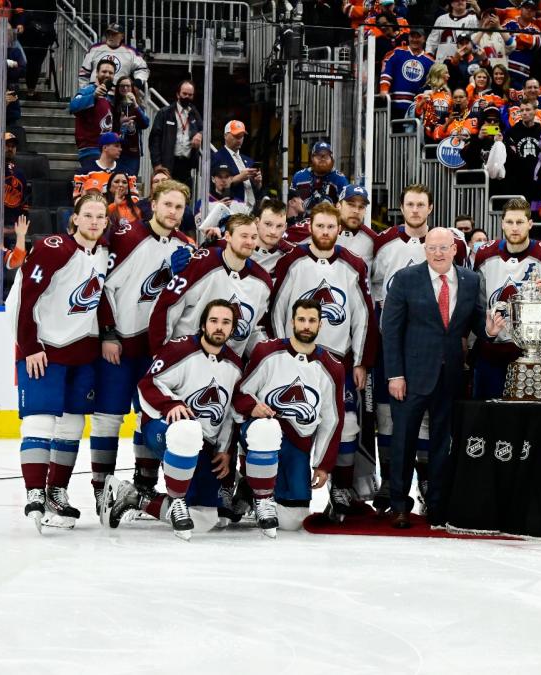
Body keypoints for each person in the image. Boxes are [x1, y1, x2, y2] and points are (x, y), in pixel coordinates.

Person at [382, 227, 505, 528]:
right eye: (432, 248)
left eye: (443, 248)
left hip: (450, 376)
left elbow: (477, 320)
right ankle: (399, 504)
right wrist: (395, 374)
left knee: (442, 444)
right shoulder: (405, 279)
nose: (438, 253)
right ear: (425, 250)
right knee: (403, 442)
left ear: (454, 249)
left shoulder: (470, 279)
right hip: (410, 377)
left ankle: (437, 505)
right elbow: (391, 331)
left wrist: (488, 331)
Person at [100, 300, 244, 539]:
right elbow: (147, 384)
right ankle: (175, 499)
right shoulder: (181, 349)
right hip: (164, 429)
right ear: (203, 324)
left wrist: (225, 450)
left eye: (226, 322)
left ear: (232, 328)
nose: (219, 327)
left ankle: (136, 497)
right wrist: (171, 405)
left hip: (204, 445)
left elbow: (230, 413)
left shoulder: (235, 366)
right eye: (214, 321)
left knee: (205, 519)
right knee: (186, 431)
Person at [91, 179, 195, 511]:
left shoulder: (185, 246)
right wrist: (108, 332)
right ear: (153, 204)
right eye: (168, 204)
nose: (173, 212)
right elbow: (102, 287)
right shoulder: (127, 238)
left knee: (148, 416)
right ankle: (101, 486)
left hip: (157, 352)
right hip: (120, 344)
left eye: (179, 207)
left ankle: (144, 486)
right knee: (108, 416)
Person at [268, 202, 377, 517]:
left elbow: (362, 316)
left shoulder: (353, 264)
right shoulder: (292, 261)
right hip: (295, 358)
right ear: (310, 227)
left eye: (331, 227)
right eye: (320, 226)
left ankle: (340, 489)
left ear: (339, 230)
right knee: (290, 420)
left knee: (347, 425)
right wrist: (281, 352)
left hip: (337, 362)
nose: (326, 232)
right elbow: (278, 309)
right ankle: (279, 487)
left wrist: (360, 362)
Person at [8, 193, 109, 531]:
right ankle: (34, 492)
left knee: (72, 426)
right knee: (39, 421)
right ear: (75, 219)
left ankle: (56, 492)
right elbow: (25, 296)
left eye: (101, 216)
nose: (95, 221)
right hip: (44, 349)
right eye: (89, 215)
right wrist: (30, 344)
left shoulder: (103, 253)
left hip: (82, 352)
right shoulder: (55, 248)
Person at [369, 184, 468, 511]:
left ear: (430, 208)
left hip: (436, 352)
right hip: (394, 347)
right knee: (389, 418)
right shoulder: (382, 244)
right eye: (409, 204)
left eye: (420, 204)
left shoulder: (448, 243)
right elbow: (375, 295)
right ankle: (390, 483)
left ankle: (427, 482)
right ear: (402, 207)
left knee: (433, 421)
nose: (414, 210)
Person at [232, 299, 349, 535]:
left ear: (320, 325)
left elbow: (332, 419)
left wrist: (323, 465)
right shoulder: (267, 352)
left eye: (312, 321)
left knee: (293, 521)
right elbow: (240, 394)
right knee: (267, 430)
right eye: (301, 320)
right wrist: (253, 407)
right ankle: (255, 485)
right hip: (263, 436)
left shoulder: (332, 367)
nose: (306, 325)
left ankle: (256, 486)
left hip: (298, 445)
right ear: (292, 322)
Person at [472, 198, 541, 398]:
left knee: (537, 420)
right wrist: (484, 333)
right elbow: (476, 303)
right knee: (489, 419)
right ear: (502, 223)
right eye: (509, 222)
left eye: (520, 222)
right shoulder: (484, 253)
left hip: (539, 354)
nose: (514, 228)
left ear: (530, 224)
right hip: (492, 352)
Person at [148, 214, 273, 357]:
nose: (249, 242)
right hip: (186, 358)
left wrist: (266, 359)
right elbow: (165, 307)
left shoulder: (263, 282)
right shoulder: (202, 264)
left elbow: (253, 331)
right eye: (244, 236)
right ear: (228, 236)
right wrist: (160, 354)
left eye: (253, 237)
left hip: (225, 369)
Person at [147, 80, 203, 188]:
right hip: (167, 163)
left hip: (186, 164)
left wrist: (199, 134)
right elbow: (154, 140)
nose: (187, 97)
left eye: (190, 95)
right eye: (184, 94)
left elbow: (203, 128)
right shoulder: (165, 113)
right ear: (178, 94)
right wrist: (157, 164)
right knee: (166, 194)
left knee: (185, 196)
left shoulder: (194, 112)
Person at [68, 57, 116, 163]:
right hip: (90, 150)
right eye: (104, 71)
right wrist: (93, 95)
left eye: (111, 73)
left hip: (106, 150)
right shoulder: (88, 90)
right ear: (97, 73)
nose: (107, 75)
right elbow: (73, 106)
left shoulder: (110, 97)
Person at [379, 27, 434, 116]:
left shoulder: (430, 61)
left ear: (424, 39)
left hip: (416, 108)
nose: (415, 40)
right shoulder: (397, 52)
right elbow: (387, 71)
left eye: (418, 37)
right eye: (412, 36)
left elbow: (431, 84)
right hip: (394, 104)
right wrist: (384, 89)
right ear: (408, 38)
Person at [77, 23, 149, 90]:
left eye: (114, 34)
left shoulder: (131, 52)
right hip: (95, 92)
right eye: (108, 33)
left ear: (122, 36)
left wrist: (138, 82)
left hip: (118, 94)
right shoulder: (95, 49)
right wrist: (85, 91)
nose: (110, 36)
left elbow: (143, 69)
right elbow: (84, 73)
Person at [211, 120, 262, 210]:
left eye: (241, 136)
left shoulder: (248, 160)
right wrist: (239, 177)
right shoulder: (217, 158)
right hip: (231, 208)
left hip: (252, 209)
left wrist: (257, 182)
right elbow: (213, 187)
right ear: (225, 136)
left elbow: (257, 189)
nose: (239, 139)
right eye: (236, 136)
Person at [290, 141, 352, 212]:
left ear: (332, 160)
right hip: (302, 221)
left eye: (326, 156)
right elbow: (291, 204)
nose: (323, 159)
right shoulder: (299, 176)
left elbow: (346, 206)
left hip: (330, 221)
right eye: (319, 156)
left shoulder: (339, 179)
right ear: (312, 158)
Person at [73, 132, 134, 199]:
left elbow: (134, 199)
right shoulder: (84, 173)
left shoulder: (128, 173)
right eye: (116, 146)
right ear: (105, 148)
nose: (120, 149)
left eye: (120, 146)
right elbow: (77, 200)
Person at [111, 75, 149, 176]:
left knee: (131, 181)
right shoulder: (113, 105)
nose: (125, 88)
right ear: (118, 88)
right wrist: (120, 123)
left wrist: (135, 104)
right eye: (122, 86)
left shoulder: (138, 106)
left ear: (132, 88)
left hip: (133, 151)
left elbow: (145, 124)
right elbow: (109, 127)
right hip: (116, 150)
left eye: (128, 86)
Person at [336, 185, 377, 267]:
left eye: (361, 207)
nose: (356, 211)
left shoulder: (373, 240)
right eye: (351, 205)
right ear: (338, 206)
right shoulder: (320, 231)